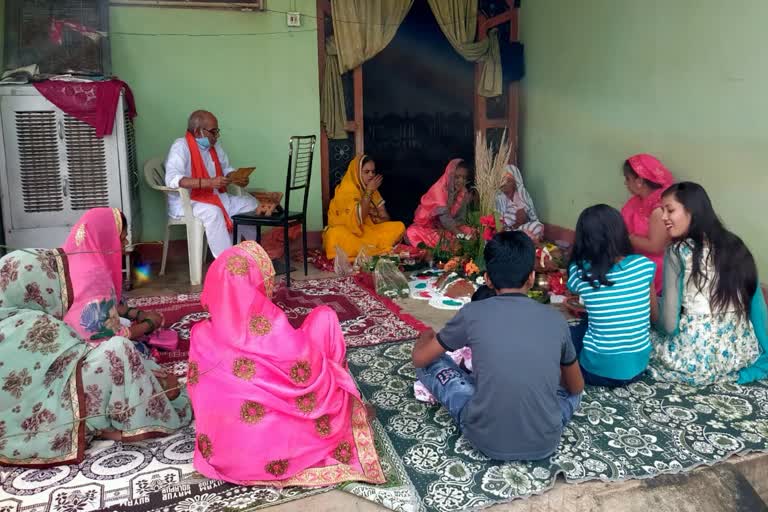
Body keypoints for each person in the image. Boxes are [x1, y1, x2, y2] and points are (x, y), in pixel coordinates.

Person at [187, 241, 385, 485]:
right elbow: (305, 367)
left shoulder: (200, 336)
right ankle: (342, 414)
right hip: (274, 449)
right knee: (325, 319)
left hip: (222, 454)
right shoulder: (269, 330)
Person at [0, 248, 191, 467]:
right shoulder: (33, 322)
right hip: (59, 415)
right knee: (119, 351)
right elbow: (81, 361)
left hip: (16, 425)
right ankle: (110, 425)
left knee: (120, 356)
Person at [412, 231, 583, 461]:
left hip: (485, 438)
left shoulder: (473, 313)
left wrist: (424, 339)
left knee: (433, 366)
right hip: (545, 440)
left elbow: (421, 359)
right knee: (574, 393)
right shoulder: (556, 319)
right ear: (531, 278)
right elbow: (575, 388)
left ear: (488, 280)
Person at [650, 182, 768, 385]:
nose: (663, 217)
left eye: (670, 210)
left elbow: (669, 326)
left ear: (692, 211)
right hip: (739, 351)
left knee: (641, 338)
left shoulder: (678, 251)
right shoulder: (736, 245)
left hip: (697, 357)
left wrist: (653, 312)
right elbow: (757, 305)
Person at [567, 205, 657, 387]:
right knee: (588, 325)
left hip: (596, 372)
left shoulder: (580, 272)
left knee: (567, 332)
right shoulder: (644, 266)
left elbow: (573, 290)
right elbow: (654, 316)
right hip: (638, 367)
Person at [164, 110, 261, 258]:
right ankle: (228, 263)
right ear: (197, 131)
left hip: (216, 197)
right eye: (213, 132)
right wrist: (208, 183)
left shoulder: (214, 146)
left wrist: (236, 178)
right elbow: (172, 179)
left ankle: (252, 255)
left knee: (251, 204)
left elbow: (226, 168)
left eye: (217, 131)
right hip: (188, 203)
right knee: (213, 213)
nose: (216, 136)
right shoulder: (181, 146)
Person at [62, 208, 164, 343]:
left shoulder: (73, 258)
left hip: (68, 328)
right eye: (122, 238)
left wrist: (139, 314)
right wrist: (149, 324)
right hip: (82, 345)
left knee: (122, 313)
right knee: (130, 351)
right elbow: (113, 337)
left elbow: (106, 305)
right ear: (104, 239)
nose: (126, 243)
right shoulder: (94, 276)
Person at [323, 155, 405, 261]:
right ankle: (373, 250)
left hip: (369, 232)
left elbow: (385, 217)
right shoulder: (346, 191)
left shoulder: (373, 190)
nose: (371, 175)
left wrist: (376, 218)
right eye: (366, 172)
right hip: (349, 233)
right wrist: (368, 192)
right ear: (356, 173)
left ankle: (367, 250)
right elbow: (358, 219)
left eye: (373, 172)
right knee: (334, 235)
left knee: (399, 226)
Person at [621, 154, 674, 294]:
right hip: (635, 260)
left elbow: (655, 246)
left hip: (654, 270)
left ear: (639, 181)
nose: (625, 183)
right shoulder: (637, 201)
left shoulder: (659, 208)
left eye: (628, 178)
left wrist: (626, 237)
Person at [407, 158, 474, 248]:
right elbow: (445, 219)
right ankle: (430, 249)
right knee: (412, 231)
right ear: (449, 176)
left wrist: (457, 232)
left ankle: (451, 246)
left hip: (448, 229)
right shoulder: (438, 190)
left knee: (472, 232)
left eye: (464, 178)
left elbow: (460, 219)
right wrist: (462, 237)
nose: (461, 181)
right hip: (430, 229)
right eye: (457, 177)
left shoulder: (463, 192)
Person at [495, 165, 544, 242]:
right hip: (504, 231)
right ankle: (520, 241)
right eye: (503, 180)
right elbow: (498, 221)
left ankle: (519, 240)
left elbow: (525, 218)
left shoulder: (520, 195)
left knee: (538, 226)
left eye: (508, 180)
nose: (505, 183)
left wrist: (518, 222)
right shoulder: (499, 197)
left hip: (518, 229)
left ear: (515, 182)